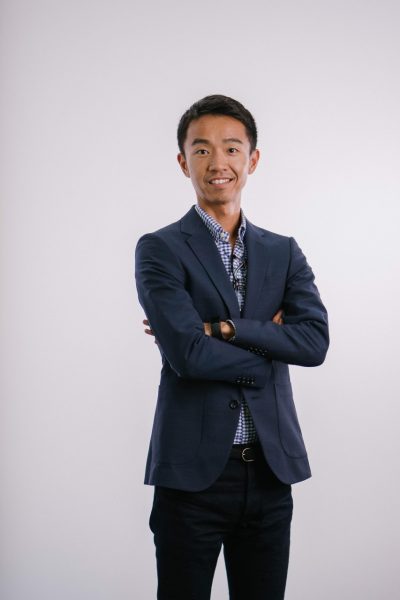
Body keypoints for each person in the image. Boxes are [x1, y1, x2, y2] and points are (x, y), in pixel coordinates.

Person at [135, 94, 329, 600]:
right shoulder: (160, 249)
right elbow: (187, 355)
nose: (217, 162)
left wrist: (223, 329)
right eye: (201, 150)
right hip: (191, 478)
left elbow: (313, 343)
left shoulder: (283, 252)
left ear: (252, 159)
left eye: (231, 148)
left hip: (270, 472)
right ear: (184, 162)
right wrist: (271, 345)